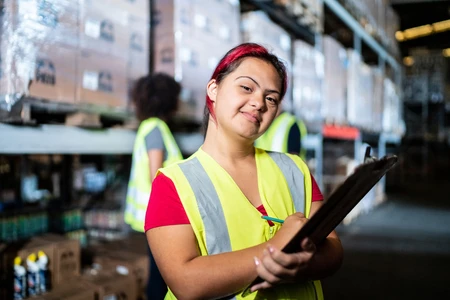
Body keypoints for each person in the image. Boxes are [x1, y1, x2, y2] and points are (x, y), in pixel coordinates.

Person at [145, 43, 343, 299]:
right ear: (213, 89)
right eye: (246, 87)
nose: (259, 103)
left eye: (271, 98)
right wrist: (274, 250)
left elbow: (334, 249)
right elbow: (186, 282)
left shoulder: (296, 170)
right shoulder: (173, 185)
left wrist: (299, 267)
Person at [125, 73, 183, 300]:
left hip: (154, 215)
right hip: (160, 216)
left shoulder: (149, 127)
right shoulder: (156, 129)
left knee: (158, 274)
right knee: (160, 277)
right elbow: (156, 175)